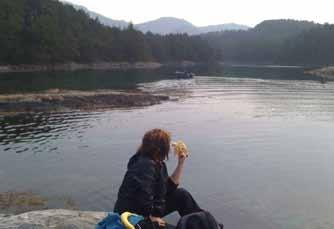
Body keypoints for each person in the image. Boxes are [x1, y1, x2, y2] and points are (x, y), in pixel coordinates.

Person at [114, 129, 202, 228]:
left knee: (181, 195)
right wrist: (151, 218)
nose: (169, 148)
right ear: (160, 148)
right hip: (132, 217)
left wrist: (180, 163)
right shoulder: (144, 166)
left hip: (148, 209)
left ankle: (204, 224)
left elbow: (169, 188)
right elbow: (143, 195)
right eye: (167, 145)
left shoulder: (157, 163)